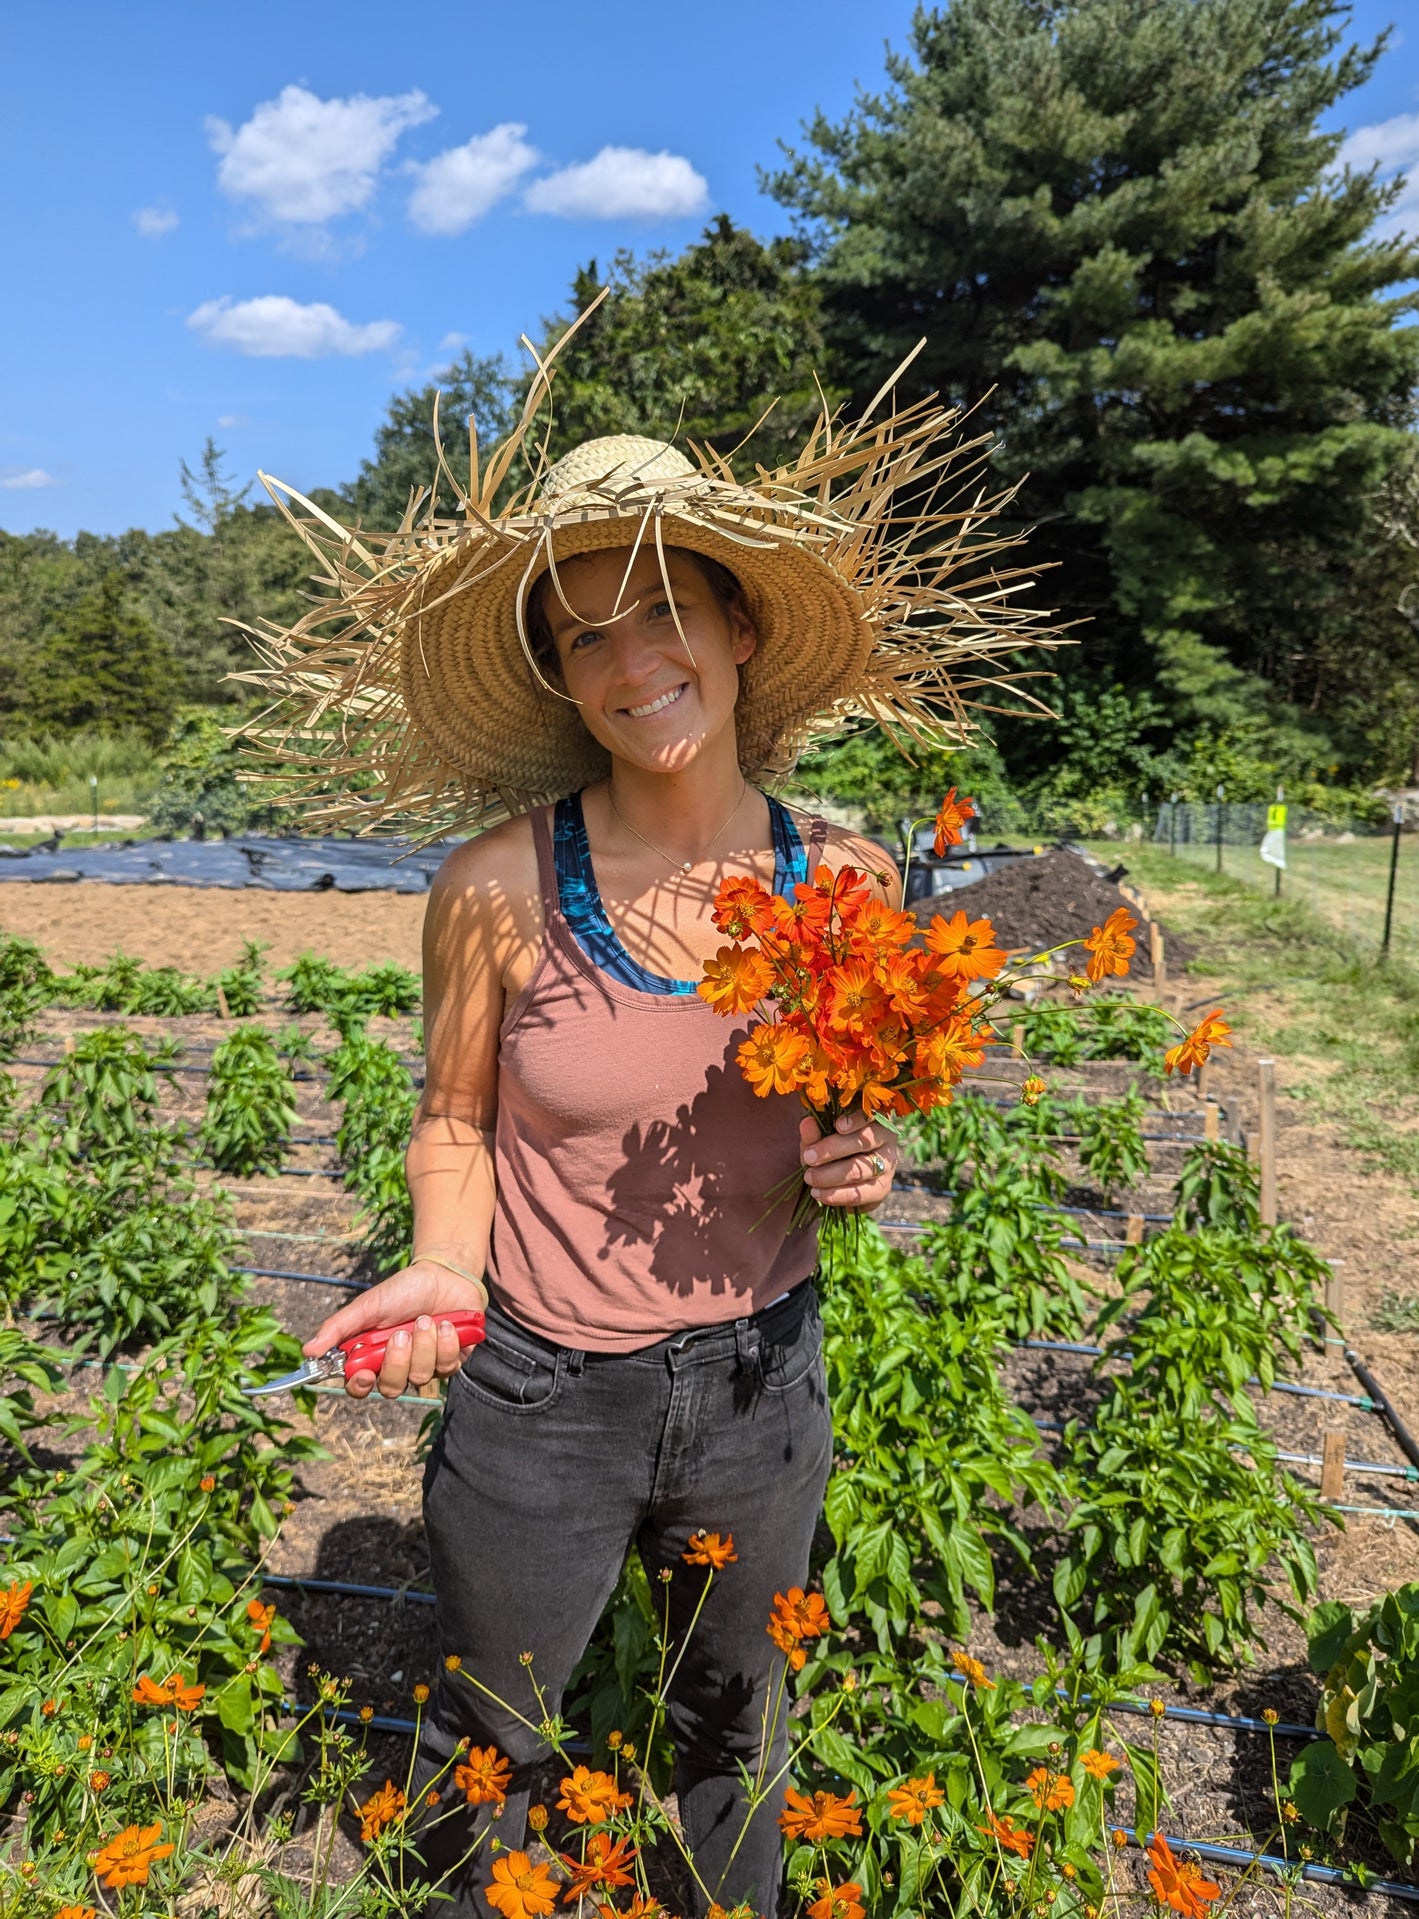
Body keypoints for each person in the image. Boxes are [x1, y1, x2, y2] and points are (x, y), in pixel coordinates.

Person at [254, 356, 1043, 1917]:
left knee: (734, 1732)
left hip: (760, 1386)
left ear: (738, 627)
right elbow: (455, 1117)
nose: (630, 661)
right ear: (562, 678)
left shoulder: (848, 877)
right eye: (582, 635)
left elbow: (852, 1114)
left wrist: (860, 1162)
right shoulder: (493, 884)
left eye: (661, 610)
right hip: (543, 1396)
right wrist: (438, 1266)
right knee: (499, 1733)